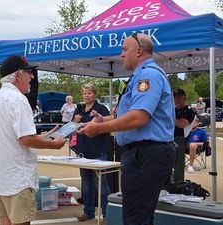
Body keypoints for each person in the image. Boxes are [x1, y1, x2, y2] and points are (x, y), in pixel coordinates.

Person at [77, 33, 175, 225]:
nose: (121, 54)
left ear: (139, 51)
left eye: (124, 49)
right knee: (139, 216)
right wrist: (101, 120)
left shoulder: (148, 75)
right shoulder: (141, 75)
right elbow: (131, 114)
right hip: (144, 153)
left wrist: (100, 129)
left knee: (136, 218)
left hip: (146, 154)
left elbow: (138, 117)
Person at [0, 55, 66, 225]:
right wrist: (53, 144)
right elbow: (26, 139)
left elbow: (12, 136)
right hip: (17, 178)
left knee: (5, 219)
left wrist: (44, 136)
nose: (32, 76)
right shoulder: (18, 100)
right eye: (28, 72)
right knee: (21, 221)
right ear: (17, 75)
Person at [72, 83, 110, 221]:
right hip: (83, 151)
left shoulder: (101, 109)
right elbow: (72, 129)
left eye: (89, 93)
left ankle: (107, 214)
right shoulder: (79, 109)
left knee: (102, 186)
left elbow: (106, 127)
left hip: (97, 152)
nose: (86, 95)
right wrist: (74, 121)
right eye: (84, 93)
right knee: (86, 184)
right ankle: (88, 212)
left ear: (94, 94)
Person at [172, 88, 196, 181]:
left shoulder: (190, 112)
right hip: (167, 139)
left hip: (180, 140)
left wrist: (167, 115)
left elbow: (181, 124)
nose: (176, 99)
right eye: (174, 97)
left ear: (184, 98)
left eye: (178, 97)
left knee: (178, 168)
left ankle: (178, 186)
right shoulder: (172, 110)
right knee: (166, 166)